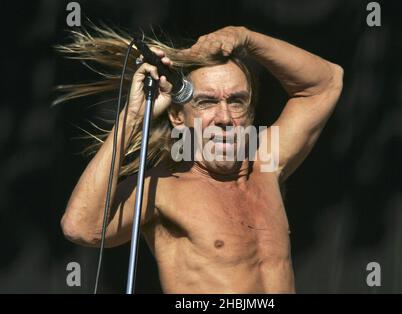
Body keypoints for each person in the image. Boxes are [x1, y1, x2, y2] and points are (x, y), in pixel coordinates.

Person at [59, 26, 343, 293]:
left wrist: (246, 38)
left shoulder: (265, 163)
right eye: (206, 102)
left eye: (236, 101)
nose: (224, 118)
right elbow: (81, 227)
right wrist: (133, 116)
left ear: (251, 112)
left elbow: (327, 81)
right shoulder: (162, 187)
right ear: (177, 116)